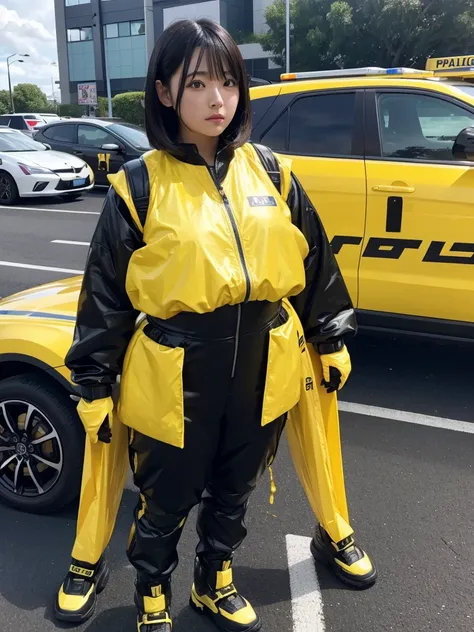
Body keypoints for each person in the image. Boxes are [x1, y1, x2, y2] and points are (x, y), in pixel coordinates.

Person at [54, 18, 375, 632]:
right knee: (165, 496)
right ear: (166, 92)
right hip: (175, 369)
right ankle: (153, 590)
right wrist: (93, 384)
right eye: (197, 82)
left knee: (235, 489)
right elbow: (104, 296)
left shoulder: (271, 172)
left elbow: (313, 256)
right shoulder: (139, 185)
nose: (217, 99)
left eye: (228, 81)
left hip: (264, 363)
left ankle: (213, 579)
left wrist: (329, 334)